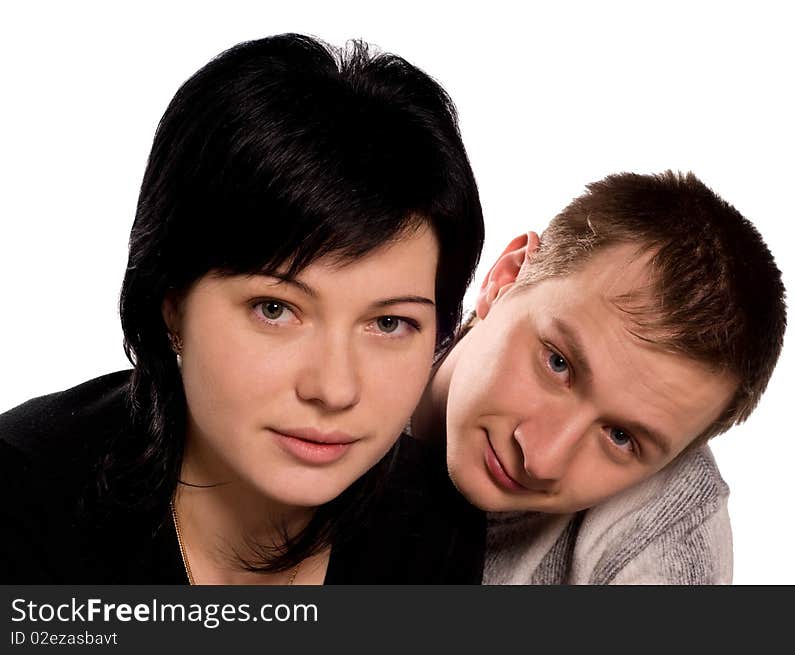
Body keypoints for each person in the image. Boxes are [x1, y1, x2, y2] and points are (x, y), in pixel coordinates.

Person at [0, 33, 486, 584]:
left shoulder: (434, 527)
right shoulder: (23, 502)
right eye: (275, 309)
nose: (334, 389)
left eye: (389, 323)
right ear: (171, 304)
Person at [412, 170, 786, 584]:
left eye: (621, 438)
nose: (541, 460)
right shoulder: (352, 343)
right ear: (506, 278)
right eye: (558, 365)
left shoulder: (667, 529)